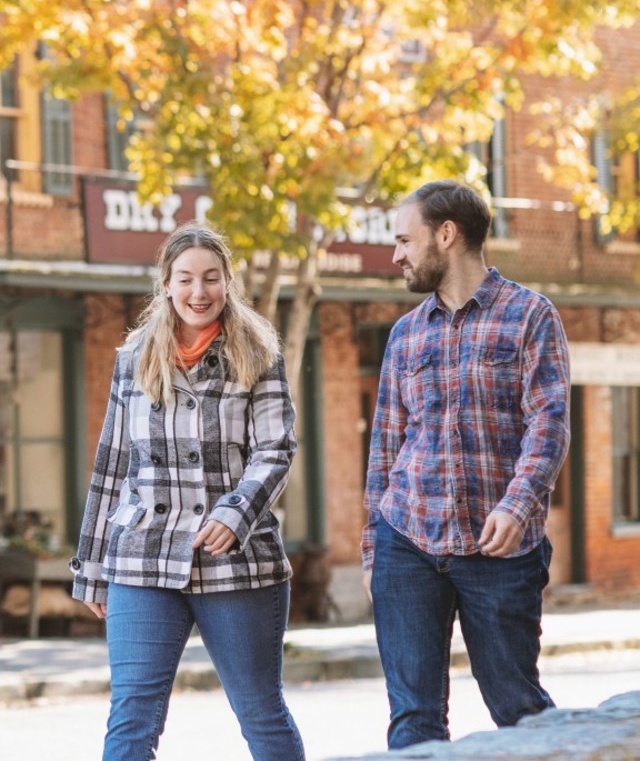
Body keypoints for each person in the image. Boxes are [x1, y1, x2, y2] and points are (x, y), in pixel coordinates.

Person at [69, 221, 305, 761]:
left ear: (227, 283)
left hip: (235, 559)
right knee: (131, 720)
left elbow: (276, 449)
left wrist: (236, 513)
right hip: (142, 556)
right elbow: (113, 463)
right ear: (167, 284)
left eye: (211, 279)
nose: (199, 293)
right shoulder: (134, 358)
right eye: (186, 279)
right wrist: (92, 567)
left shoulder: (258, 353)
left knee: (261, 713)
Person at [362, 180, 571, 749]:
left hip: (498, 547)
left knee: (518, 707)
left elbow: (548, 424)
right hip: (406, 540)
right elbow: (385, 445)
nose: (397, 254)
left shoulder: (530, 316)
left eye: (406, 240)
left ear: (446, 235)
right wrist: (371, 548)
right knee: (413, 719)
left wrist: (518, 504)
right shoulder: (405, 334)